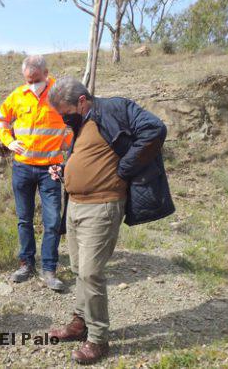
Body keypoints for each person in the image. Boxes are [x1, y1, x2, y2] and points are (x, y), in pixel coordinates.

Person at [46, 76, 175, 365]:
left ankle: (98, 339)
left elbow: (155, 129)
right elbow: (92, 157)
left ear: (81, 101)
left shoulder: (114, 108)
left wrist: (125, 167)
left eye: (64, 111)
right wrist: (66, 169)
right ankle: (80, 322)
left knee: (91, 272)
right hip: (76, 206)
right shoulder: (80, 123)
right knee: (79, 269)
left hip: (101, 206)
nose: (63, 117)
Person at [0, 55, 73, 291]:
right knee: (24, 219)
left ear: (46, 73)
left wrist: (66, 142)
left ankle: (49, 269)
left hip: (51, 168)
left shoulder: (60, 93)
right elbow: (0, 121)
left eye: (36, 79)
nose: (32, 83)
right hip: (23, 167)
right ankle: (26, 263)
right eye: (28, 80)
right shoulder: (18, 95)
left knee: (52, 221)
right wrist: (8, 141)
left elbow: (75, 122)